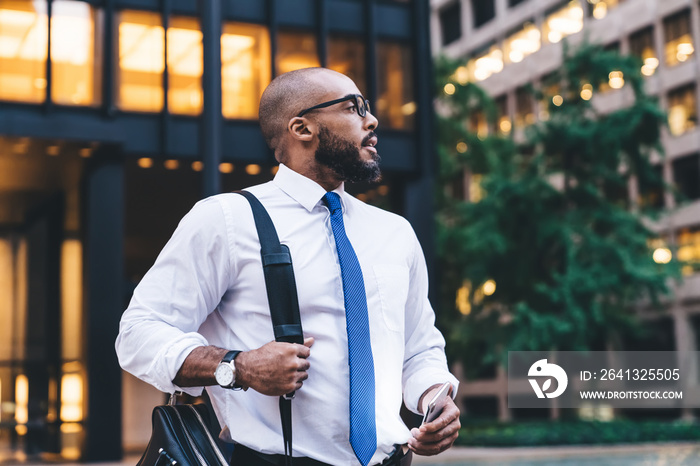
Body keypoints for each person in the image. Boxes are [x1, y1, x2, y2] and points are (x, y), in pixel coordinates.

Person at [116, 67, 460, 466]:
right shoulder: (226, 219)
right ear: (302, 128)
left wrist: (435, 396)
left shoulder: (394, 232)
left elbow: (418, 347)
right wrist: (238, 366)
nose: (372, 119)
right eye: (353, 108)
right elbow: (138, 334)